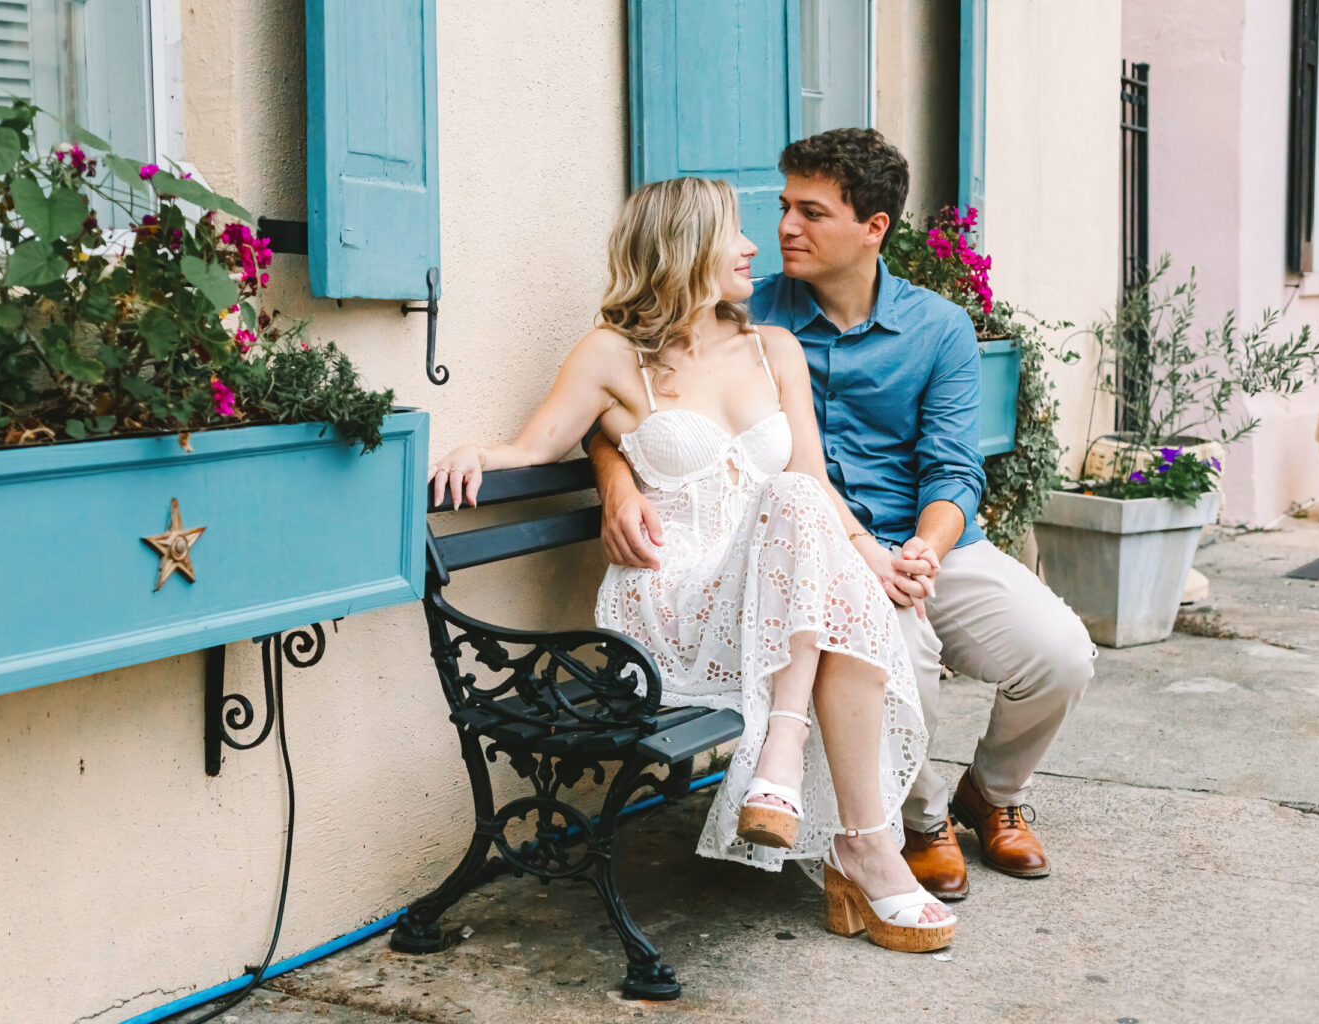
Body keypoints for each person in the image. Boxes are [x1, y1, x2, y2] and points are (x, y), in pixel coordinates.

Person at [430, 176, 954, 952]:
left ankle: (855, 837)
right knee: (816, 559)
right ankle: (840, 820)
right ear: (683, 248)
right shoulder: (612, 355)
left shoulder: (774, 348)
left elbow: (809, 478)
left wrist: (873, 558)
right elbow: (534, 448)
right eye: (733, 231)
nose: (755, 245)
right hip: (674, 605)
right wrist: (480, 451)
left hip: (777, 597)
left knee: (814, 537)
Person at [590, 129, 1096, 902]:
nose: (785, 228)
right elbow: (620, 393)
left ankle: (990, 795)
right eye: (784, 206)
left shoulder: (937, 328)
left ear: (873, 229)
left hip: (928, 545)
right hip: (804, 561)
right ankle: (920, 822)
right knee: (897, 660)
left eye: (811, 212)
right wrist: (617, 486)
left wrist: (925, 551)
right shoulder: (739, 311)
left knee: (1060, 652)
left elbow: (955, 469)